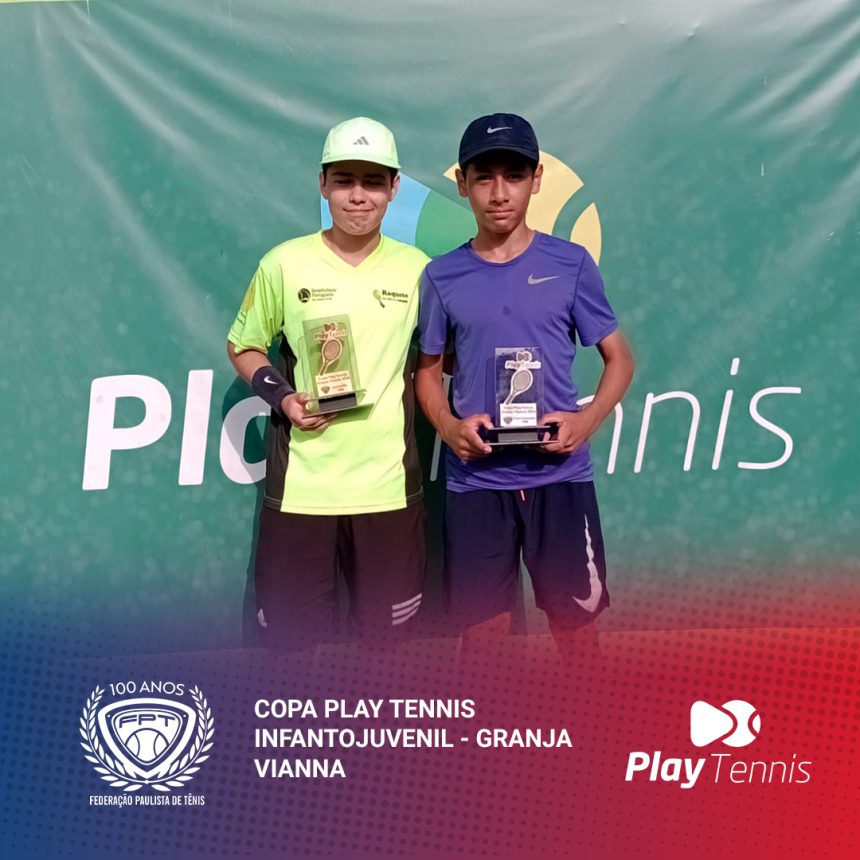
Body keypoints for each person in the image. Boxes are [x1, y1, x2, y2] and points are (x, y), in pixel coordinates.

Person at [414, 113, 634, 673]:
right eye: (483, 177)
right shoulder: (441, 276)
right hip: (476, 483)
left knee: (576, 630)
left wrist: (585, 422)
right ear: (462, 184)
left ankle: (590, 726)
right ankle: (483, 729)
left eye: (513, 175)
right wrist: (449, 427)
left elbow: (620, 360)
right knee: (483, 636)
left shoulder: (571, 263)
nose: (498, 193)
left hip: (559, 478)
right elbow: (427, 373)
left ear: (536, 180)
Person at [227, 117, 429, 662]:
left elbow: (442, 359)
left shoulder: (418, 271)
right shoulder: (283, 263)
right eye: (344, 180)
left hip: (387, 491)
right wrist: (282, 397)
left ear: (394, 188)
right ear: (322, 184)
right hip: (303, 493)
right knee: (290, 656)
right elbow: (244, 346)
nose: (358, 196)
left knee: (388, 657)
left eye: (373, 181)